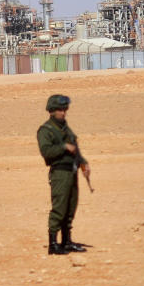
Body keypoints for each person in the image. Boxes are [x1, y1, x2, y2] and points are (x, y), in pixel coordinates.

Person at [37, 94, 91, 255]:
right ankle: (53, 244)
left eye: (65, 109)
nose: (64, 112)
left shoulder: (65, 128)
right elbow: (46, 151)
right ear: (52, 111)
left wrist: (83, 162)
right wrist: (63, 147)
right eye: (60, 109)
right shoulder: (46, 130)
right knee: (59, 208)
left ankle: (67, 241)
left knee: (70, 207)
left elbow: (75, 147)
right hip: (60, 173)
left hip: (71, 171)